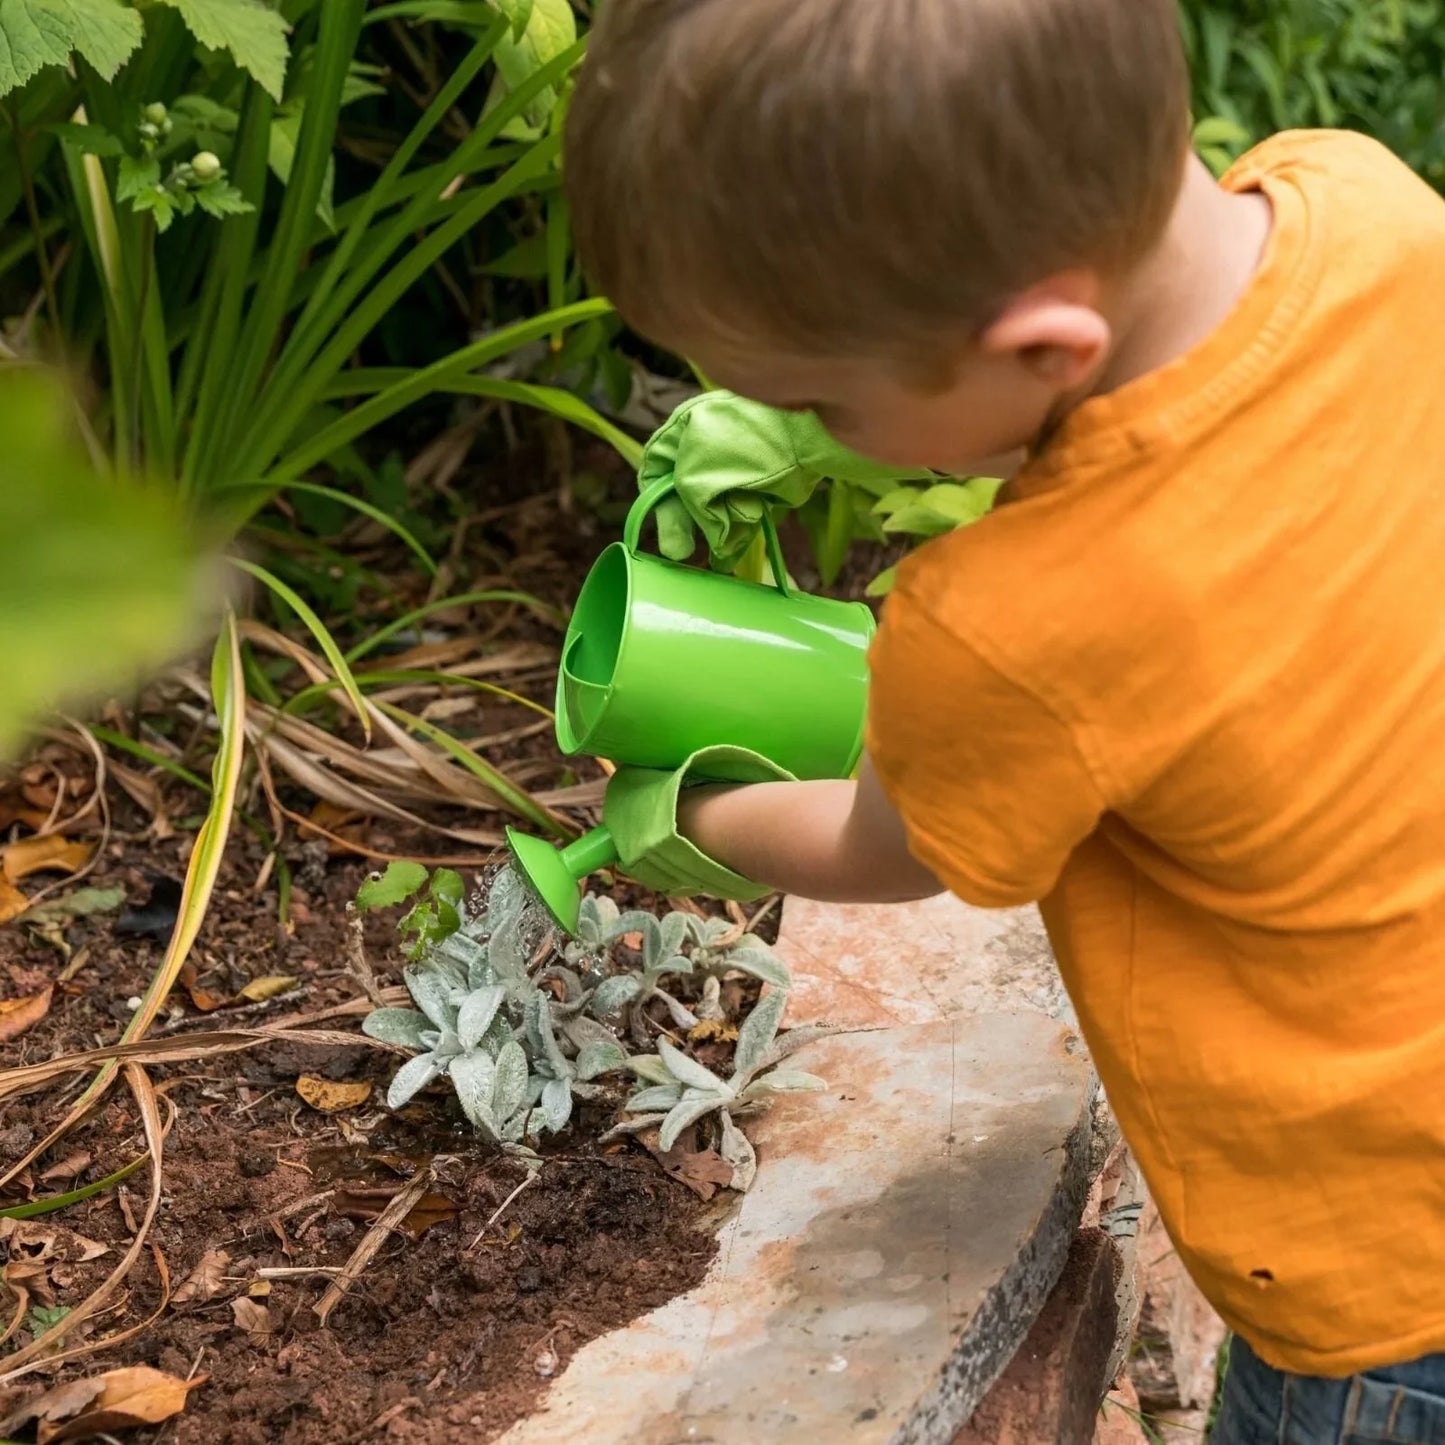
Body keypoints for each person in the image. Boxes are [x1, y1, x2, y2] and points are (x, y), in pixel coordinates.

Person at [562, 3, 1445, 1441]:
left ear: (1041, 344)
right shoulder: (1366, 203)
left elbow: (886, 845)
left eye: (816, 399)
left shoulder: (1004, 622)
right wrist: (844, 402)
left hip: (1384, 1302)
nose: (811, 426)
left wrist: (680, 815)